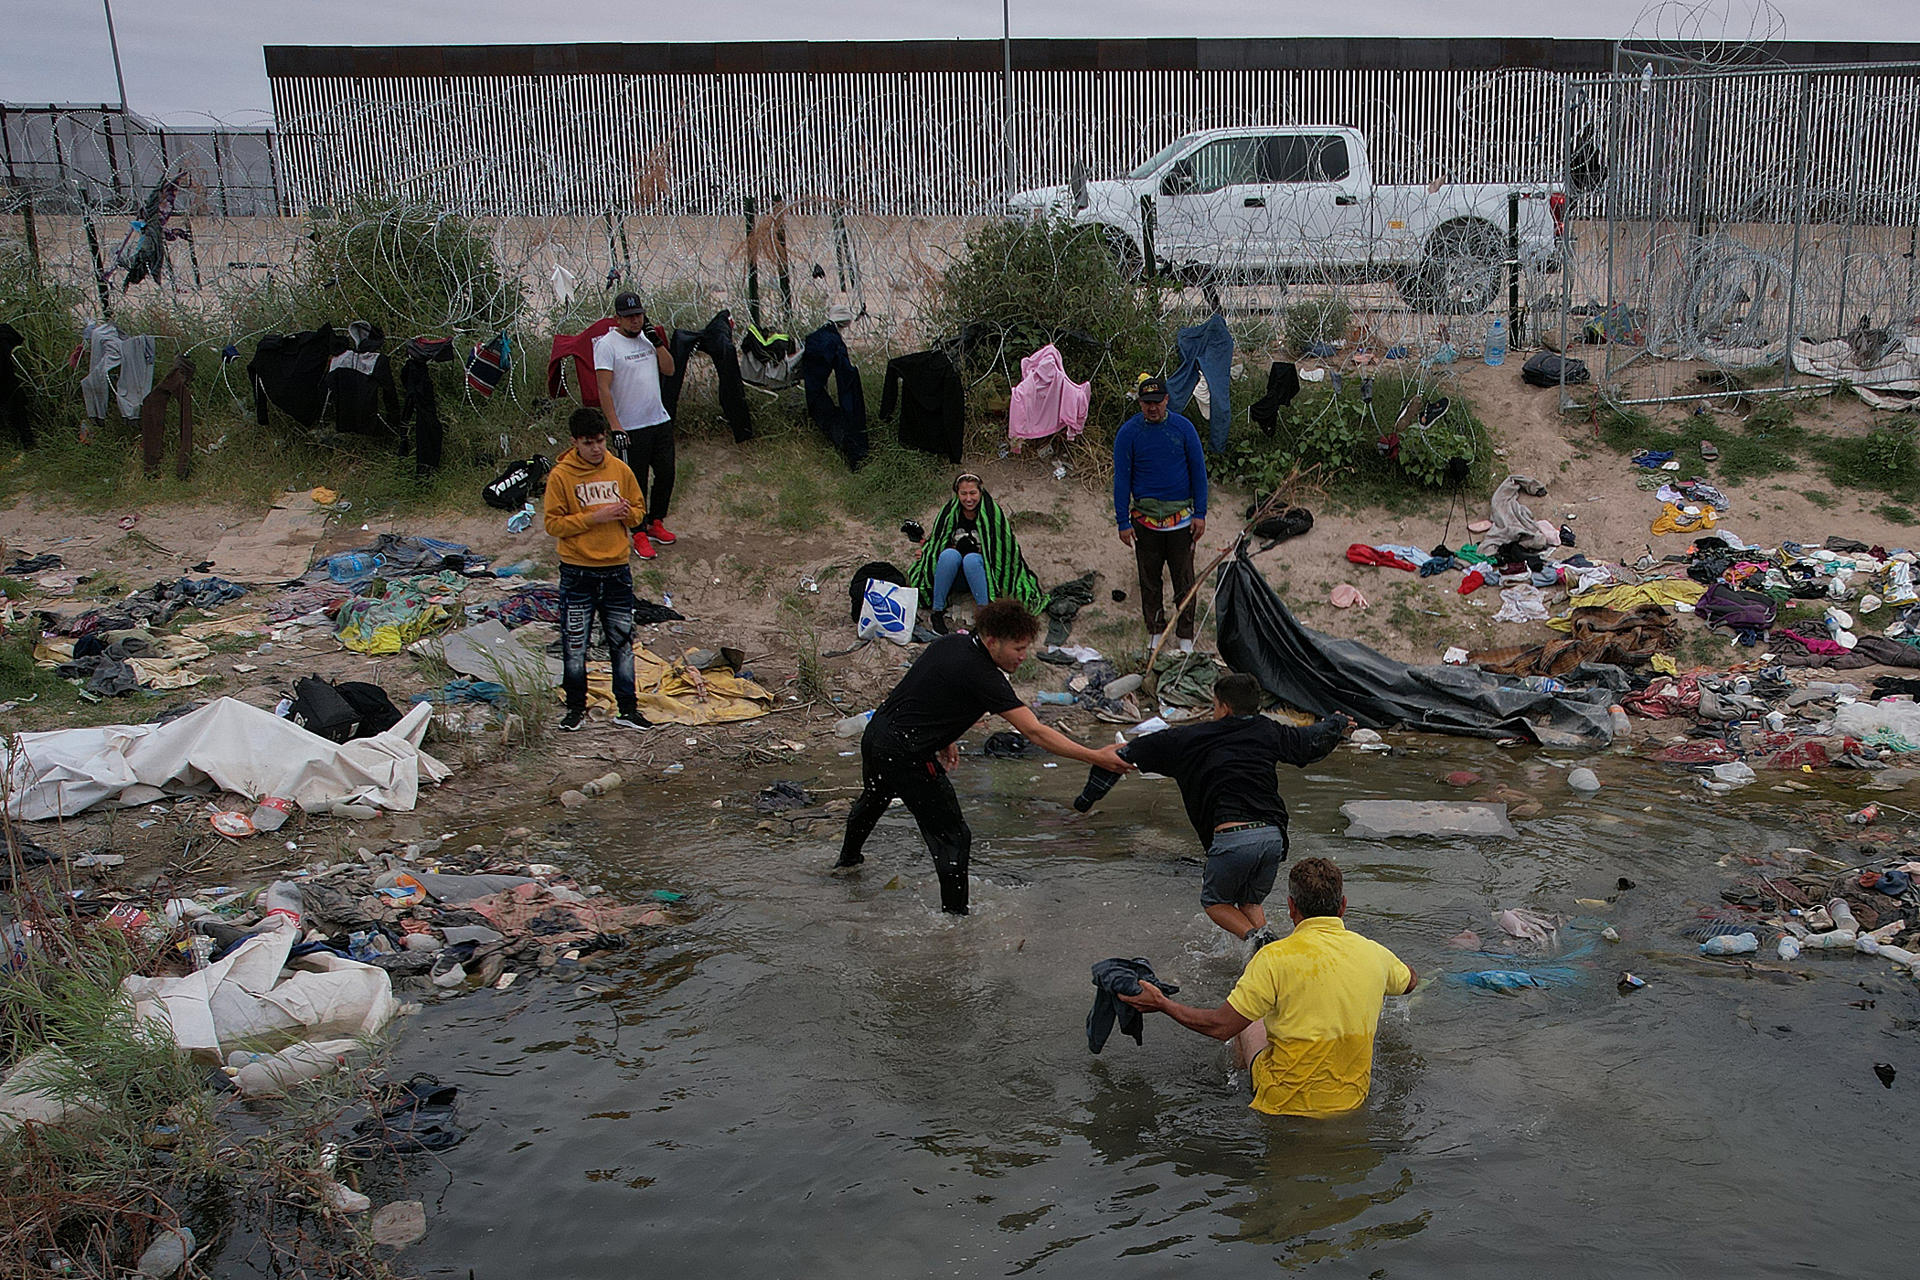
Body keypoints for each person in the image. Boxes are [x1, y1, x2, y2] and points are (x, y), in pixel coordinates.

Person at [832, 599, 1133, 914]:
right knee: (954, 837)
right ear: (992, 642)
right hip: (907, 753)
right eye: (1017, 648)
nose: (1023, 656)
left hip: (877, 736)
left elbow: (926, 692)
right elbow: (1035, 732)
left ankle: (847, 863)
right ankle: (956, 922)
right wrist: (1095, 756)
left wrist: (943, 737)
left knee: (875, 797)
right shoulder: (984, 675)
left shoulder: (951, 643)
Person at [1119, 857, 1417, 1119]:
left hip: (1281, 1104)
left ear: (1291, 907)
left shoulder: (1273, 958)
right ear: (1342, 905)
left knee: (1248, 1021)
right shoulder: (1375, 954)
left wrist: (1162, 1004)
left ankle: (1233, 1086)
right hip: (1351, 1102)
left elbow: (1220, 1026)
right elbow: (1409, 982)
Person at [1120, 673, 1354, 945]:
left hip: (1234, 837)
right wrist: (1336, 723)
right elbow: (1308, 741)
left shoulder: (1196, 735)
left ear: (1225, 708)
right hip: (1272, 839)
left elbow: (1147, 747)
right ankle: (1274, 953)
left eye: (1215, 704)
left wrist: (1117, 759)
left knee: (1214, 901)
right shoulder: (1268, 730)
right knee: (1250, 901)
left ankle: (1256, 939)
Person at [542, 408, 651, 734]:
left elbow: (638, 513)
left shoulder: (620, 470)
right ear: (575, 442)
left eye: (601, 441)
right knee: (575, 644)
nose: (596, 448)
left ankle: (628, 709)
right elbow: (553, 524)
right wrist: (596, 517)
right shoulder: (561, 476)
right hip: (578, 572)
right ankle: (575, 707)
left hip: (617, 570)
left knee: (622, 642)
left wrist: (626, 513)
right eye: (589, 442)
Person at [1113, 375, 1208, 655]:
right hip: (1145, 520)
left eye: (1157, 402)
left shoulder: (1183, 428)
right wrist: (1122, 521)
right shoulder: (1128, 433)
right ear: (1139, 403)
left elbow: (1198, 473)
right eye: (1146, 403)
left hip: (1181, 520)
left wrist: (1200, 513)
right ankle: (1155, 629)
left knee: (1184, 580)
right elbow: (1122, 479)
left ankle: (1185, 635)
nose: (1152, 408)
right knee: (1149, 579)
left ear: (1166, 400)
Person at [593, 292, 677, 559]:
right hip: (630, 426)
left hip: (658, 419)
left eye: (638, 315)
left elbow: (670, 369)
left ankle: (656, 522)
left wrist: (657, 342)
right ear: (618, 318)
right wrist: (615, 426)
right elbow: (603, 389)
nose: (635, 321)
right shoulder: (607, 345)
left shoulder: (647, 339)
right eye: (629, 317)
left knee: (666, 474)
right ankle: (638, 532)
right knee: (635, 483)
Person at [906, 472, 1046, 633]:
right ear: (957, 494)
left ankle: (983, 614)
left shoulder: (993, 515)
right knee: (948, 555)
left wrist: (980, 552)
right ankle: (937, 611)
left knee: (971, 559)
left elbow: (1003, 549)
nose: (968, 498)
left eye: (973, 493)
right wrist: (930, 551)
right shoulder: (949, 514)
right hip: (954, 575)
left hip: (983, 574)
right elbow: (938, 542)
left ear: (980, 492)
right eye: (963, 493)